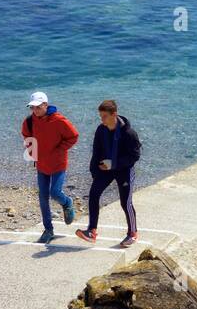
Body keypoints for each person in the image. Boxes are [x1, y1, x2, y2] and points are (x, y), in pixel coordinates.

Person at [74, 99, 141, 248]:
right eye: (100, 116)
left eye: (104, 116)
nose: (101, 119)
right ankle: (92, 231)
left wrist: (115, 164)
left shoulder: (129, 133)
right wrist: (94, 171)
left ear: (114, 114)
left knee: (126, 202)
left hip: (124, 170)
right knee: (93, 194)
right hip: (105, 170)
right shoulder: (101, 130)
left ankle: (133, 233)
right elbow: (96, 152)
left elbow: (135, 156)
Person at [20, 91, 79, 244]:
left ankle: (67, 203)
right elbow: (26, 134)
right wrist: (32, 150)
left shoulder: (59, 120)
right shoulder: (30, 121)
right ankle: (48, 230)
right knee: (43, 197)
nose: (35, 110)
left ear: (45, 105)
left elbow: (73, 136)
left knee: (55, 192)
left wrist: (59, 149)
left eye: (38, 107)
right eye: (32, 108)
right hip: (41, 164)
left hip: (58, 163)